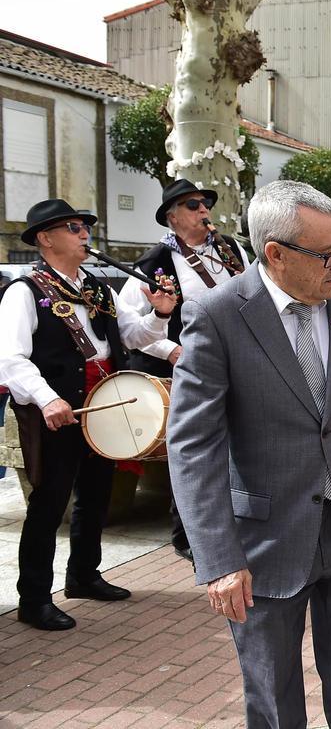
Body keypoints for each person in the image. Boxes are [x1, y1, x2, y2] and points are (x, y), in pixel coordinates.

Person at [167, 181, 331, 728]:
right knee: (273, 697)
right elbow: (193, 444)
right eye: (326, 254)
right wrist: (218, 558)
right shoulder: (218, 314)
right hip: (262, 545)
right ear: (275, 253)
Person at [0, 199, 177, 631]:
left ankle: (83, 576)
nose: (84, 234)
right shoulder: (25, 291)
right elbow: (10, 357)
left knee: (96, 495)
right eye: (73, 228)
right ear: (45, 239)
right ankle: (34, 599)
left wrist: (160, 313)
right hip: (58, 411)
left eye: (84, 227)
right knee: (48, 504)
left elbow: (133, 334)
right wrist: (46, 399)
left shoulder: (98, 288)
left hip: (101, 407)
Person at [119, 179, 249, 562]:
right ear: (172, 217)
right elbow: (131, 326)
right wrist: (171, 349)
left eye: (206, 204)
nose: (204, 210)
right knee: (194, 453)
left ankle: (236, 525)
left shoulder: (232, 249)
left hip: (236, 365)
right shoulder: (153, 263)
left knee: (237, 447)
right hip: (189, 370)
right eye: (193, 205)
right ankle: (187, 535)